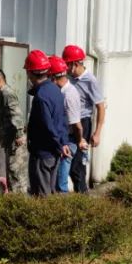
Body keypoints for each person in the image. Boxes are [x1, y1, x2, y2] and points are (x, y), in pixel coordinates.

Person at [23, 50, 72, 196]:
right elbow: (62, 120)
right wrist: (63, 143)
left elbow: (47, 126)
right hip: (54, 153)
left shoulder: (41, 96)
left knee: (41, 196)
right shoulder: (55, 90)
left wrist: (59, 144)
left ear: (30, 73)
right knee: (50, 193)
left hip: (43, 153)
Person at [62, 44, 106, 193]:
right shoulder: (68, 77)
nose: (65, 68)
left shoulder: (90, 80)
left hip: (83, 124)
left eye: (67, 64)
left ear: (75, 64)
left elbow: (101, 106)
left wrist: (97, 133)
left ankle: (83, 197)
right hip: (69, 123)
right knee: (67, 162)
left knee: (77, 165)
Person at [49, 56, 87, 193]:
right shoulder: (61, 91)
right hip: (62, 139)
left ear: (53, 77)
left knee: (61, 183)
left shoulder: (69, 94)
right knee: (56, 180)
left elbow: (76, 124)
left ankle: (63, 203)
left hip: (69, 140)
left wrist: (79, 140)